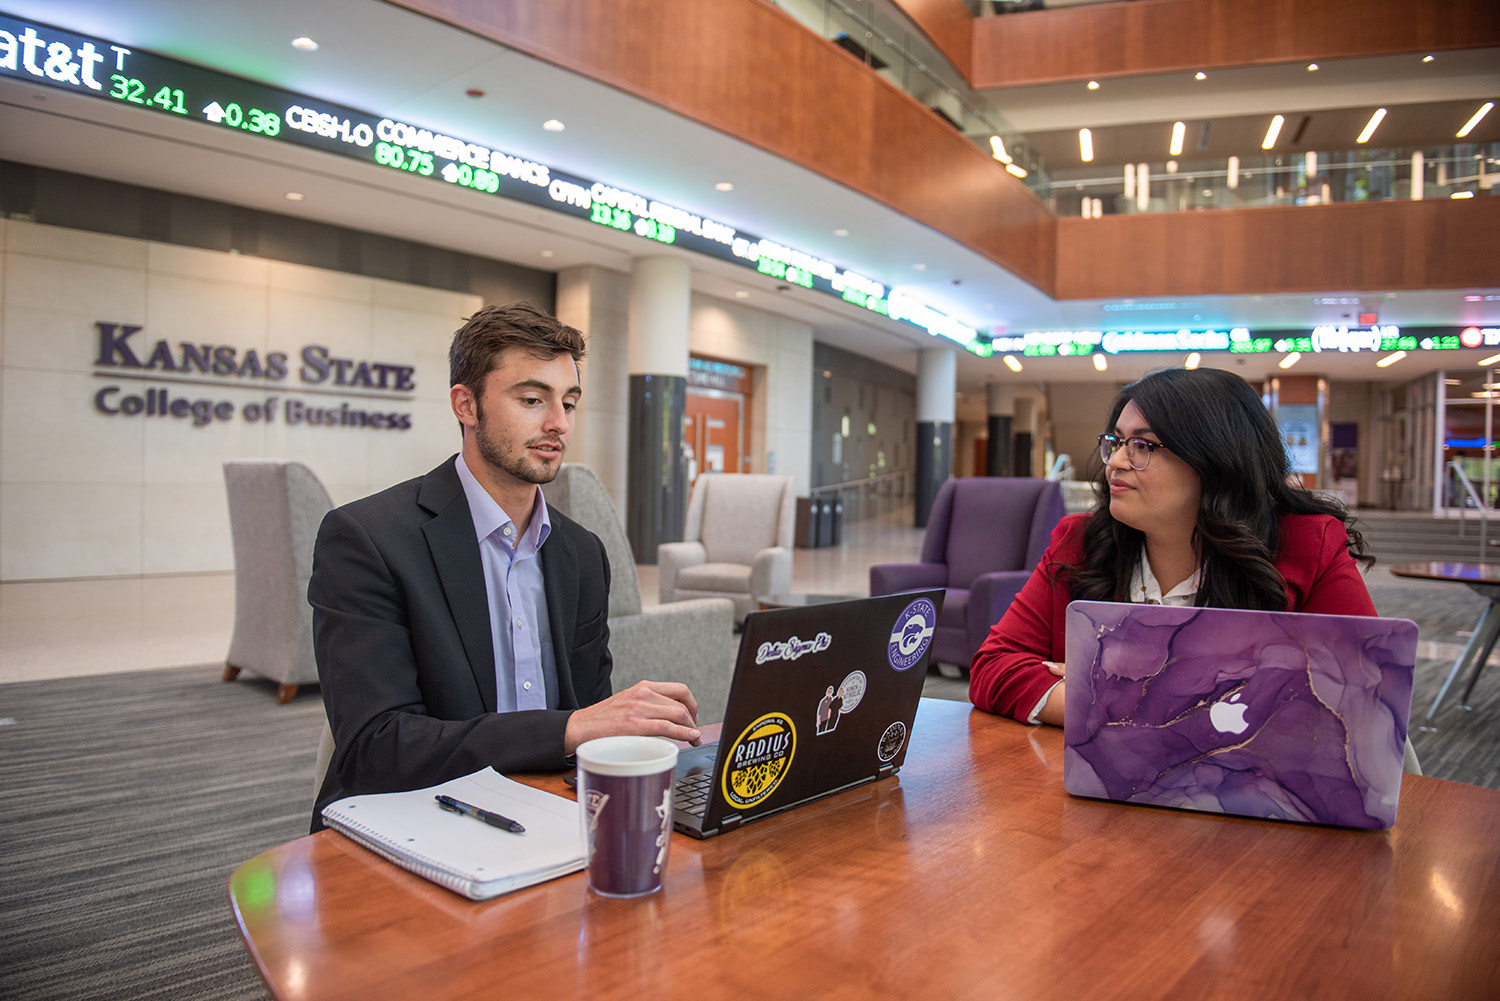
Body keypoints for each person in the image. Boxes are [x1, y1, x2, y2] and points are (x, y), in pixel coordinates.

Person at [308, 302, 701, 831]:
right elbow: (377, 748)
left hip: (546, 814)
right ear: (466, 405)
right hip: (414, 818)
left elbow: (589, 721)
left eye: (569, 402)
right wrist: (567, 730)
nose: (558, 424)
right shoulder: (367, 540)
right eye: (532, 399)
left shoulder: (582, 553)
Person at [970, 367, 1376, 727]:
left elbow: (1365, 693)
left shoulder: (1307, 545)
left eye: (1143, 446)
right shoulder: (1080, 542)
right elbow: (994, 666)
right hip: (1100, 791)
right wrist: (1111, 705)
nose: (1115, 462)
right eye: (1116, 442)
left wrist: (1119, 695)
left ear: (1215, 459)